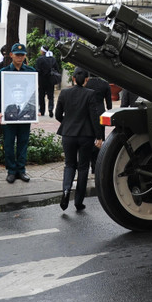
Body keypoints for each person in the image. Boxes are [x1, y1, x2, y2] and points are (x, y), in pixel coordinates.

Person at [55, 68, 104, 211]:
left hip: (68, 134)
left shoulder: (64, 93)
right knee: (83, 167)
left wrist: (67, 122)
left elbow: (58, 114)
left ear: (73, 78)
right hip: (86, 135)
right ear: (86, 80)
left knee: (69, 164)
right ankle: (78, 201)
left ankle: (65, 190)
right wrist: (99, 136)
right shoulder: (90, 94)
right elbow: (94, 117)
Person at [0, 43, 37, 183]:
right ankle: (11, 171)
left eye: (22, 55)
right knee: (8, 144)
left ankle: (21, 170)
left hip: (25, 115)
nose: (19, 57)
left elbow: (33, 93)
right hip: (9, 114)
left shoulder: (31, 71)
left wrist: (35, 109)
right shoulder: (3, 72)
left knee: (23, 143)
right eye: (17, 54)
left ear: (25, 56)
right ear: (11, 55)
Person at [36, 47, 58, 117]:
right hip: (51, 80)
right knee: (50, 96)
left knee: (41, 96)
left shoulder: (39, 59)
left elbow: (37, 70)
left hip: (42, 80)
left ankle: (42, 110)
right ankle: (50, 108)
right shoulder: (53, 59)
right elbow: (57, 69)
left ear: (43, 51)